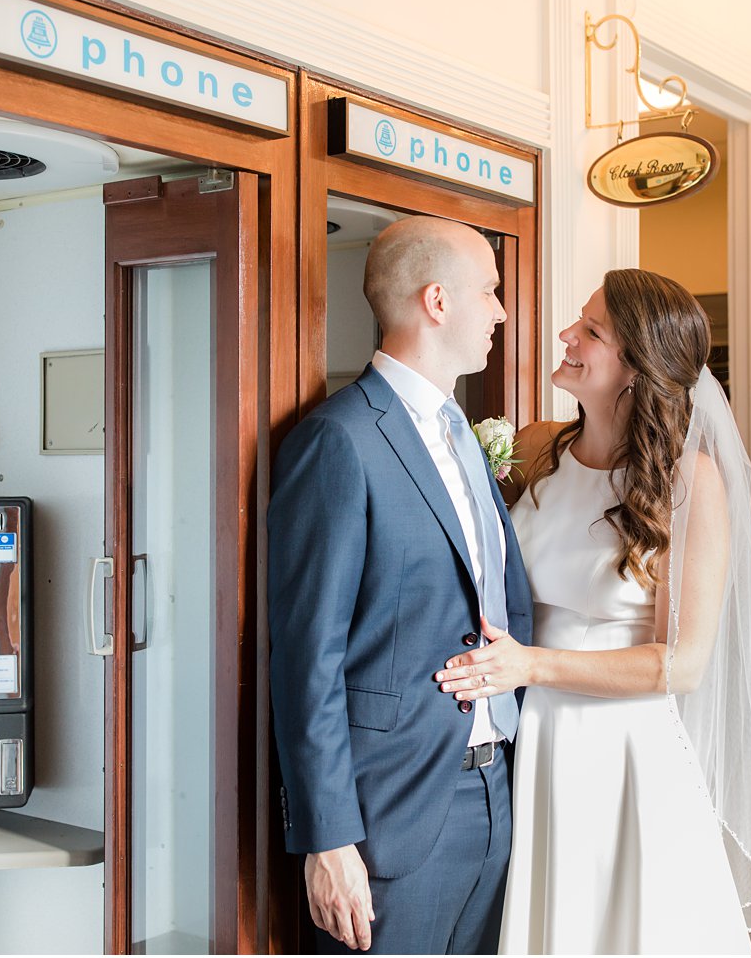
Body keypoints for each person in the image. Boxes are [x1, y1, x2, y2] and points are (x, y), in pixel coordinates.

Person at [432, 268, 751, 954]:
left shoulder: (689, 480)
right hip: (525, 742)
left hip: (621, 755)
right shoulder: (532, 449)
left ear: (635, 366)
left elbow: (682, 663)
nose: (567, 334)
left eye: (591, 330)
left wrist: (531, 663)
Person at [268, 216, 534, 954]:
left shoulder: (463, 435)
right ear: (438, 301)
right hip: (390, 815)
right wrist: (329, 839)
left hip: (496, 793)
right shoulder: (339, 440)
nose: (501, 311)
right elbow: (304, 656)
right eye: (491, 291)